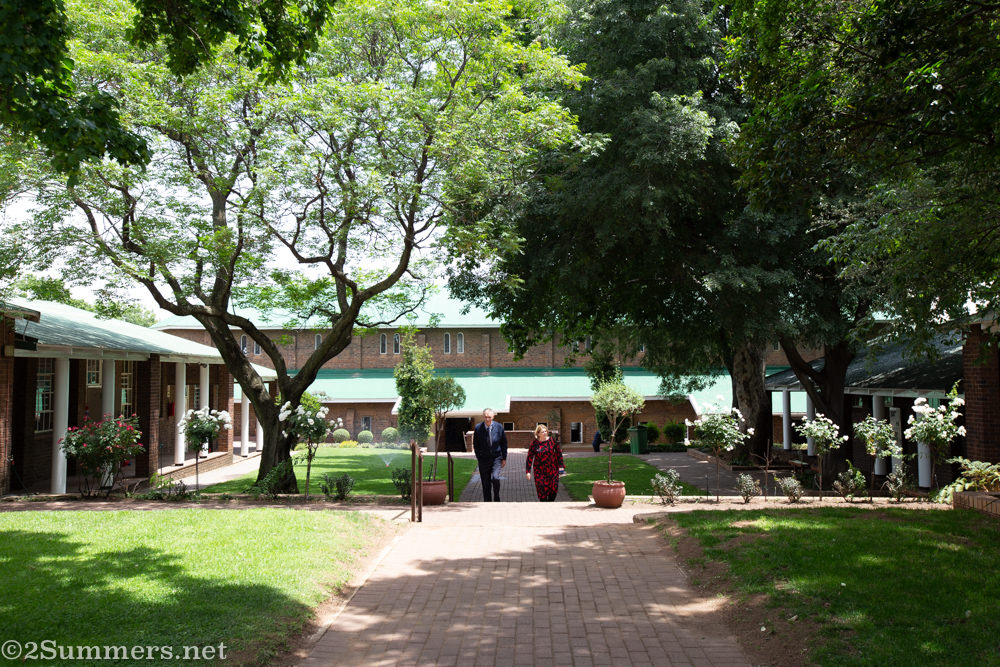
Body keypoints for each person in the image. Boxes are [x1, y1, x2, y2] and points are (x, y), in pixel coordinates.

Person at [472, 408, 507, 501]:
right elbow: (476, 444)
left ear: (493, 417)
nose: (487, 419)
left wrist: (504, 458)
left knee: (495, 478)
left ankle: (496, 497)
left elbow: (504, 443)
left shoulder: (499, 427)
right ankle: (487, 502)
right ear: (483, 417)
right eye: (485, 417)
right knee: (485, 483)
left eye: (489, 417)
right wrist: (479, 457)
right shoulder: (478, 428)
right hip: (484, 459)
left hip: (496, 458)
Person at [526, 424, 565, 502]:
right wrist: (528, 471)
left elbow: (558, 453)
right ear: (538, 434)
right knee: (542, 490)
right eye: (542, 432)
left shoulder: (552, 441)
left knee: (553, 489)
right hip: (539, 471)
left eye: (545, 431)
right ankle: (544, 504)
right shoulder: (534, 444)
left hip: (552, 469)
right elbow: (529, 458)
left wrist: (561, 466)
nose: (545, 433)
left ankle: (550, 503)